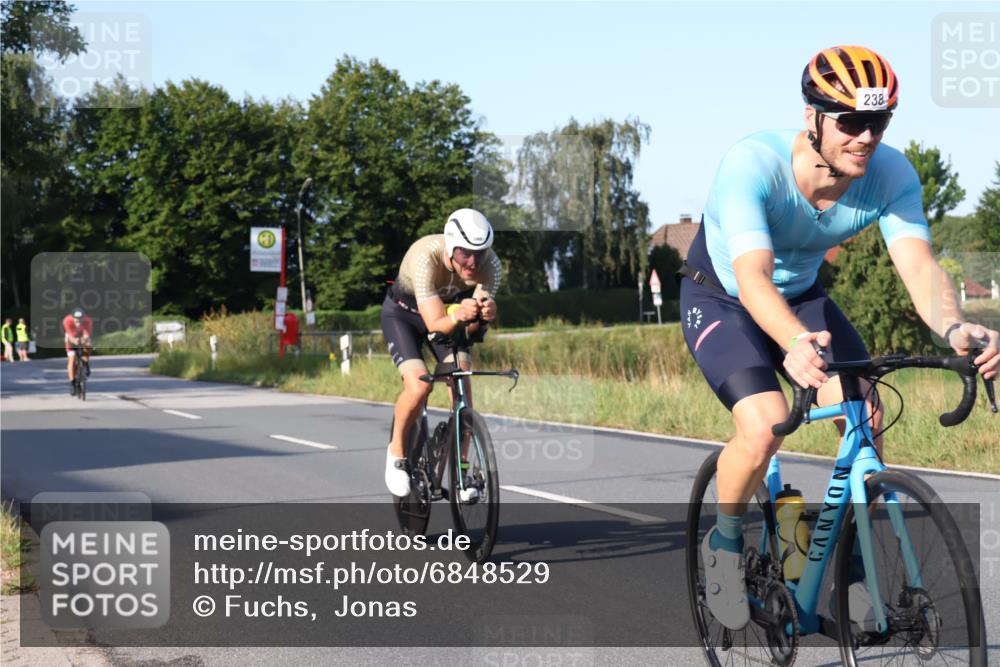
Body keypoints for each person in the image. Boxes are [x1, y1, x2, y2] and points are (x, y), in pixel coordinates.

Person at [677, 45, 999, 631]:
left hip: (801, 294)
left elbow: (921, 269)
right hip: (722, 294)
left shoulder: (892, 175)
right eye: (849, 120)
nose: (865, 136)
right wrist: (794, 342)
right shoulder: (753, 165)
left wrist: (955, 325)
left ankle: (852, 577)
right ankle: (722, 548)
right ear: (813, 119)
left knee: (866, 414)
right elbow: (751, 279)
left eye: (878, 122)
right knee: (766, 419)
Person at [381, 208, 502, 497]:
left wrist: (484, 316)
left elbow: (470, 332)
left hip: (450, 317)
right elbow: (434, 323)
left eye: (480, 253)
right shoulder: (425, 255)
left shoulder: (492, 266)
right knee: (419, 384)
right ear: (450, 246)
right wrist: (463, 314)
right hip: (404, 317)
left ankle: (461, 473)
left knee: (462, 388)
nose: (473, 262)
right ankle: (396, 452)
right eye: (464, 254)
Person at [63, 308, 93, 395]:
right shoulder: (67, 321)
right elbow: (71, 337)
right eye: (76, 320)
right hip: (71, 336)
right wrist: (75, 341)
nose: (79, 322)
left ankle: (85, 362)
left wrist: (84, 341)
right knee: (72, 359)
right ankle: (72, 383)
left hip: (82, 335)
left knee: (88, 345)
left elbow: (86, 335)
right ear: (72, 318)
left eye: (81, 319)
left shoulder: (88, 320)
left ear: (84, 317)